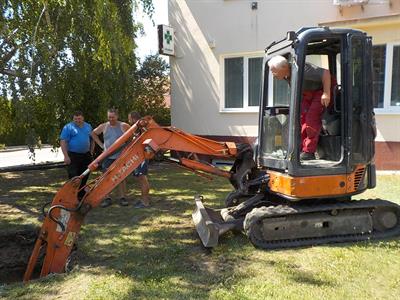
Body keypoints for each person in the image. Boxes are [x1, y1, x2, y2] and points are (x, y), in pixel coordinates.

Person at [268, 55, 331, 160]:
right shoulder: (286, 75)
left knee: (311, 119)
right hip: (307, 94)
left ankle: (309, 152)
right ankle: (302, 149)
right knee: (301, 119)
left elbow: (326, 73)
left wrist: (326, 93)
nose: (273, 75)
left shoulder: (302, 69)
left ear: (284, 67)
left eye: (274, 71)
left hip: (320, 91)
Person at [91, 108, 131, 207]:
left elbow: (132, 136)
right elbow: (93, 133)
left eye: (113, 117)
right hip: (107, 157)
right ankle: (107, 198)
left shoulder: (123, 126)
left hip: (120, 156)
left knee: (121, 177)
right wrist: (101, 145)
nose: (111, 119)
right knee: (106, 178)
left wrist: (127, 147)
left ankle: (122, 198)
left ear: (117, 116)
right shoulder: (104, 126)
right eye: (109, 117)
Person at [60, 111, 94, 198]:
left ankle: (80, 195)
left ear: (83, 118)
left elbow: (92, 139)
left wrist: (91, 152)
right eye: (75, 119)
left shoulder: (88, 126)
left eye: (79, 118)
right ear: (73, 119)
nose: (77, 120)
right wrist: (66, 156)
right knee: (74, 177)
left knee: (84, 176)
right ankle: (71, 196)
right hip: (73, 155)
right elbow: (63, 142)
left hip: (86, 155)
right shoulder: (68, 127)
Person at [128, 111, 151, 208]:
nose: (128, 120)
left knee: (142, 177)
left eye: (129, 118)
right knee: (140, 178)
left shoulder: (142, 127)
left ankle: (145, 202)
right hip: (138, 156)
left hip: (143, 156)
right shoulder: (137, 128)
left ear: (133, 118)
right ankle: (143, 199)